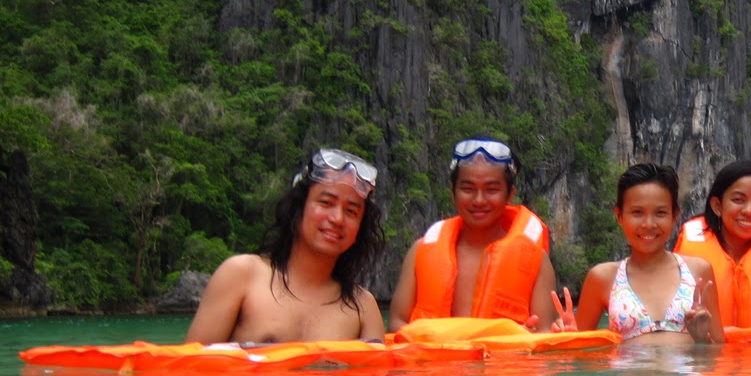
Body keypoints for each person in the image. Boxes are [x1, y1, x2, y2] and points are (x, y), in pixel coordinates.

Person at [186, 148, 385, 343]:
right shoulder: (242, 276)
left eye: (351, 212)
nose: (337, 218)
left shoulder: (363, 308)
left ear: (360, 229)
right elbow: (192, 370)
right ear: (298, 209)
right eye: (325, 202)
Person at [389, 138, 557, 330]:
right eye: (467, 189)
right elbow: (396, 323)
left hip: (504, 359)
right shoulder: (419, 252)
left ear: (510, 195)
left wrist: (522, 339)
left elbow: (544, 335)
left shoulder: (536, 262)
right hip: (434, 358)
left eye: (491, 190)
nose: (478, 200)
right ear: (453, 192)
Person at [553, 163, 723, 344]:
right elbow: (579, 359)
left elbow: (720, 353)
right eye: (637, 213)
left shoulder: (698, 271)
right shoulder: (602, 277)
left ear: (674, 215)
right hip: (627, 372)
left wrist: (701, 337)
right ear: (619, 216)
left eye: (660, 213)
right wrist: (568, 338)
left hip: (687, 371)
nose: (648, 224)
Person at [673, 159, 751, 327]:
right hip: (705, 351)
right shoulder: (685, 253)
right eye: (738, 200)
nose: (748, 211)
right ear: (717, 206)